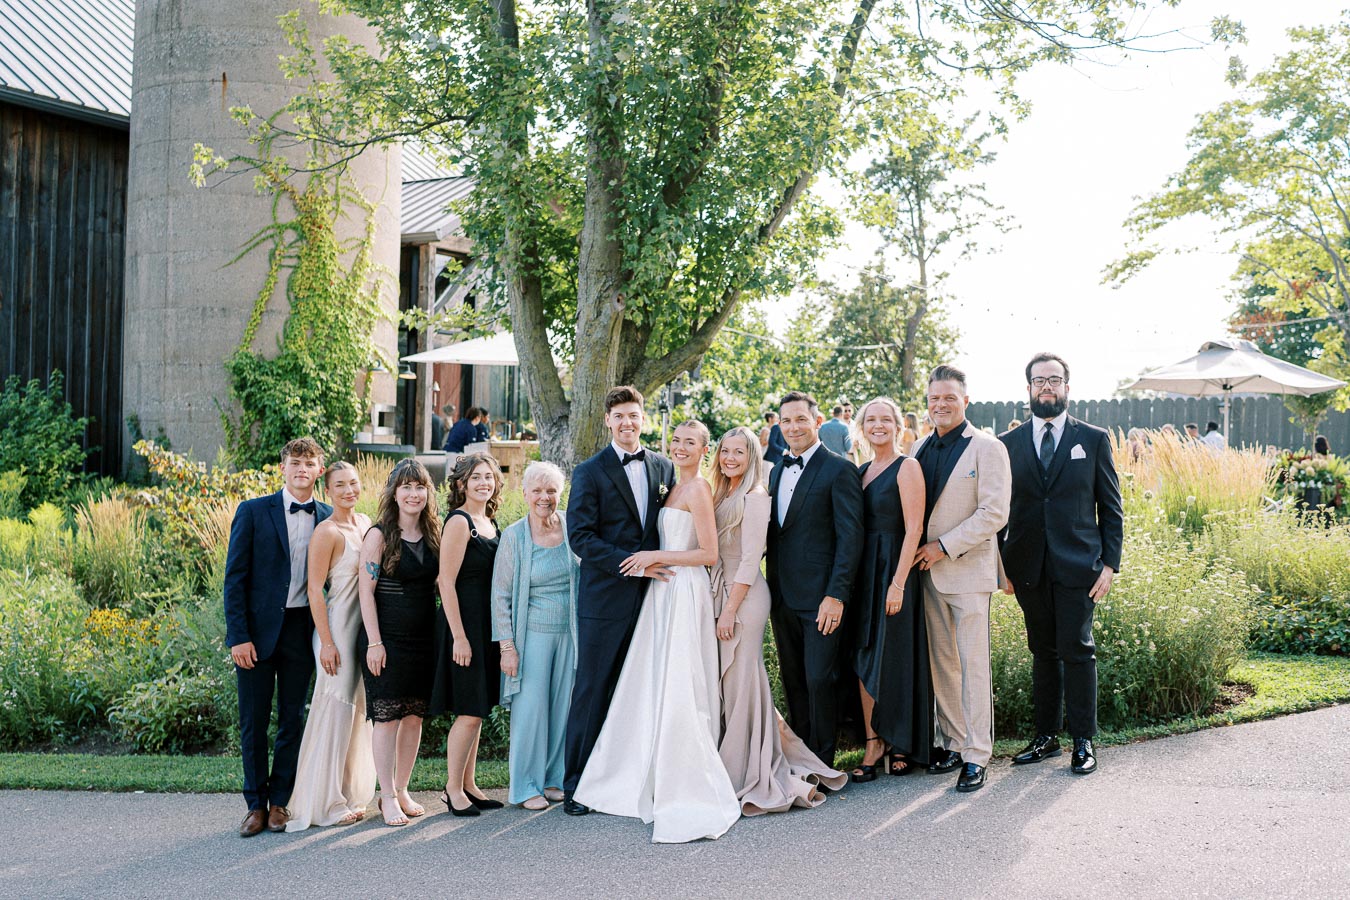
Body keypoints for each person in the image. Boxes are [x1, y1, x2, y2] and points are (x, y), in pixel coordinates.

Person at [574, 421, 740, 843]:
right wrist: (649, 560)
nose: (681, 447)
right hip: (659, 591)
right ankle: (632, 768)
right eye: (677, 441)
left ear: (706, 450)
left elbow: (708, 553)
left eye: (691, 442)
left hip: (683, 590)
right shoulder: (668, 480)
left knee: (680, 681)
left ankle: (681, 772)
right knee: (649, 680)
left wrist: (651, 555)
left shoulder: (698, 489)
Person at [710, 426, 846, 814]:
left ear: (753, 456)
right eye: (725, 451)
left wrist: (730, 609)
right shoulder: (722, 492)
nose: (730, 458)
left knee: (742, 681)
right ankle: (730, 756)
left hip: (745, 597)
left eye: (739, 452)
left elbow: (752, 560)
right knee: (728, 683)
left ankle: (742, 769)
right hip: (723, 593)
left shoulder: (754, 497)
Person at [1000, 353, 1123, 777]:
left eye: (1054, 380)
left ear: (1067, 387)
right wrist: (1003, 565)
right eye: (1039, 381)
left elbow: (1111, 507)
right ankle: (1046, 737)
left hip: (1079, 567)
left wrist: (1109, 564)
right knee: (1042, 653)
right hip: (1027, 568)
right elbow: (998, 511)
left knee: (1078, 651)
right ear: (1029, 388)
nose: (1046, 387)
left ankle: (1083, 740)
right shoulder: (1007, 443)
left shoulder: (1092, 438)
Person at [561, 385, 676, 817]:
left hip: (655, 599)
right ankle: (577, 786)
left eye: (634, 415)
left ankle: (632, 779)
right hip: (605, 599)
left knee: (641, 691)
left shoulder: (664, 466)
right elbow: (581, 538)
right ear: (607, 421)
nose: (627, 423)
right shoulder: (590, 471)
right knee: (592, 690)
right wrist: (634, 564)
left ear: (642, 418)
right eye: (619, 417)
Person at [910, 365, 1010, 794]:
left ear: (965, 401)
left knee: (973, 664)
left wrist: (943, 547)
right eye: (934, 398)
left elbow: (993, 513)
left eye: (949, 398)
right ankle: (951, 743)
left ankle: (976, 754)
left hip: (967, 571)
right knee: (942, 664)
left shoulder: (987, 448)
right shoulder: (916, 447)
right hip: (923, 574)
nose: (940, 405)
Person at [225, 437, 332, 838]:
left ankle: (279, 803)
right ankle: (254, 804)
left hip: (301, 631)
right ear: (283, 468)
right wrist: (238, 636)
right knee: (254, 721)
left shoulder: (327, 516)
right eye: (295, 462)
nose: (302, 469)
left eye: (310, 463)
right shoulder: (253, 512)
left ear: (320, 470)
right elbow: (234, 579)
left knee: (292, 718)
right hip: (256, 633)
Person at [766, 391, 864, 766]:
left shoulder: (839, 469)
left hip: (823, 597)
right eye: (786, 420)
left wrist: (836, 595)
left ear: (817, 422)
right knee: (794, 679)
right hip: (781, 594)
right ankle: (801, 756)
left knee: (820, 678)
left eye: (800, 419)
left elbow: (850, 537)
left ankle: (823, 760)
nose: (793, 427)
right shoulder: (776, 469)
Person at [286, 461, 377, 831]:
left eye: (353, 483)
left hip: (363, 630)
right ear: (328, 491)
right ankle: (325, 801)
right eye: (340, 485)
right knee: (336, 710)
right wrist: (325, 642)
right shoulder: (327, 532)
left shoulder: (366, 523)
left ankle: (346, 790)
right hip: (337, 628)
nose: (348, 490)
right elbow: (314, 590)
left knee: (357, 711)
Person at [848, 398, 931, 781]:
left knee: (895, 654)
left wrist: (898, 583)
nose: (877, 425)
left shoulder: (907, 466)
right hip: (865, 572)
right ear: (861, 427)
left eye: (885, 420)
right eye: (871, 420)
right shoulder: (861, 470)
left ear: (898, 426)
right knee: (864, 655)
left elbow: (914, 528)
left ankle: (901, 741)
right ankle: (873, 741)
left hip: (895, 570)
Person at [492, 462, 580, 810]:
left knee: (562, 708)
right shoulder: (515, 535)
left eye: (552, 491)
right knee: (530, 712)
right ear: (526, 494)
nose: (545, 497)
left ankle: (552, 779)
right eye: (538, 491)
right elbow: (500, 596)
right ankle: (525, 786)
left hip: (568, 633)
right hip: (531, 637)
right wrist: (507, 648)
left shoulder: (572, 527)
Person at [357, 459, 440, 826]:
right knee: (387, 719)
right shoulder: (378, 535)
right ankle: (386, 795)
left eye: (419, 487)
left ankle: (403, 788)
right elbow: (365, 591)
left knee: (413, 717)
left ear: (427, 492)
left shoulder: (434, 532)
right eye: (406, 487)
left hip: (424, 640)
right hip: (386, 639)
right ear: (394, 492)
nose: (413, 494)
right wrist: (374, 642)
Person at [429, 453, 504, 816]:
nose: (483, 483)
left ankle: (470, 784)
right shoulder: (459, 522)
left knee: (478, 707)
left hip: (487, 626)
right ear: (461, 484)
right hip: (464, 626)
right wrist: (459, 636)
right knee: (469, 712)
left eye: (488, 477)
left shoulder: (489, 521)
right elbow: (445, 581)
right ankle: (451, 789)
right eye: (476, 478)